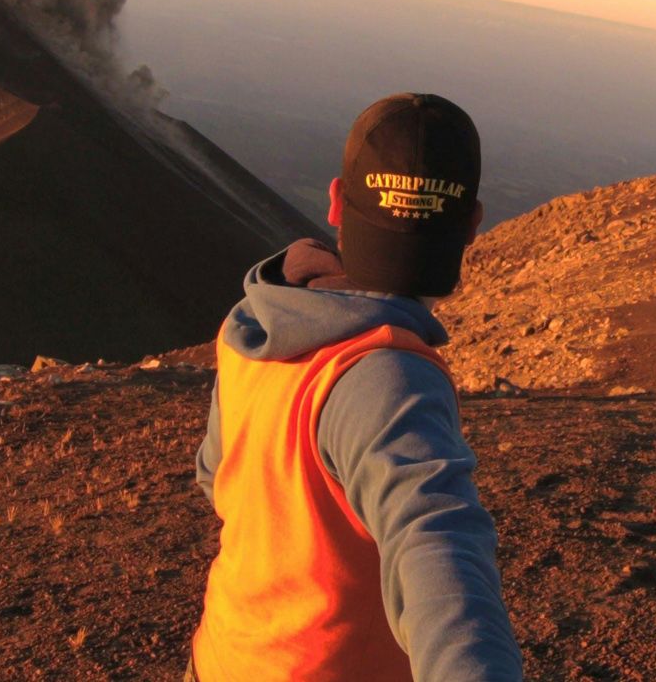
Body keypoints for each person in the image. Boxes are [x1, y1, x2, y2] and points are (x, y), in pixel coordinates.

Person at [189, 93, 523, 682]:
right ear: (472, 224)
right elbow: (437, 548)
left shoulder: (255, 326)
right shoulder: (389, 373)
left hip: (224, 656)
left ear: (338, 202)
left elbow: (218, 476)